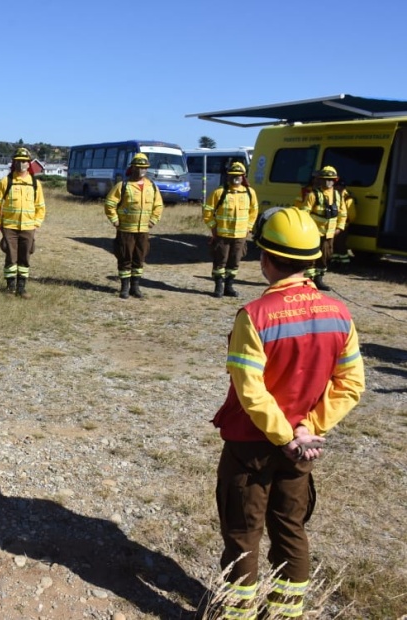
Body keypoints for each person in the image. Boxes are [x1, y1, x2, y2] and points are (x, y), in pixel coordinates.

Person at [211, 207, 364, 620]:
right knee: (291, 532)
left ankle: (237, 614)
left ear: (264, 259)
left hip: (252, 445)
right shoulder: (340, 314)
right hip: (302, 450)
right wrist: (306, 429)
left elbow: (250, 391)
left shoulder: (254, 317)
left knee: (243, 535)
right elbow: (351, 384)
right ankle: (284, 614)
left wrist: (284, 435)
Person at [103, 153, 163, 298]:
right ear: (132, 168)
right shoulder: (122, 186)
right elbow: (110, 204)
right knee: (125, 257)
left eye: (144, 168)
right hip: (125, 229)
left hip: (143, 230)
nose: (141, 171)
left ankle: (135, 287)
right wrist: (115, 220)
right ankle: (124, 287)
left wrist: (153, 221)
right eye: (138, 168)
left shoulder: (152, 187)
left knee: (139, 258)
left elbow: (158, 205)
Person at [0, 147, 46, 298]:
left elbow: (40, 207)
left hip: (28, 227)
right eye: (18, 161)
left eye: (24, 161)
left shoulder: (35, 184)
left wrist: (36, 223)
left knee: (25, 257)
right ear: (14, 163)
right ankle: (10, 287)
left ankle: (22, 288)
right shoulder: (6, 182)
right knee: (11, 258)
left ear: (29, 164)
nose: (21, 164)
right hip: (9, 227)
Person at [203, 161, 258, 298]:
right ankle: (219, 286)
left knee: (234, 262)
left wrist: (249, 228)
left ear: (243, 176)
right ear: (228, 176)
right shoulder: (220, 192)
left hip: (240, 236)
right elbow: (208, 211)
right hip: (222, 234)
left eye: (239, 175)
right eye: (233, 175)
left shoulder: (249, 193)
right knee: (220, 261)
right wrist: (213, 227)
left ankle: (229, 286)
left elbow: (254, 211)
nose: (236, 178)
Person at [300, 166, 350, 289]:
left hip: (330, 234)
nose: (328, 182)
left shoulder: (338, 195)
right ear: (320, 180)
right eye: (325, 179)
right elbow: (304, 213)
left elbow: (343, 213)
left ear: (335, 180)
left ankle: (319, 280)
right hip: (314, 233)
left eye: (331, 179)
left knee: (325, 256)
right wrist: (307, 230)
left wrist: (340, 228)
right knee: (310, 257)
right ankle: (307, 281)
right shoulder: (313, 195)